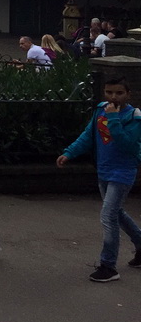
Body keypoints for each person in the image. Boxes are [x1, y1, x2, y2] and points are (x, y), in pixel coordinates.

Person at [57, 76, 141, 282]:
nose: (114, 97)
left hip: (123, 172)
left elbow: (128, 145)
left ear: (128, 94)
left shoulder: (135, 118)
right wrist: (70, 152)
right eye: (109, 92)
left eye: (119, 93)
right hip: (104, 170)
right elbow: (88, 136)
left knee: (108, 215)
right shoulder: (100, 110)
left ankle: (108, 266)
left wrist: (113, 119)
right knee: (116, 212)